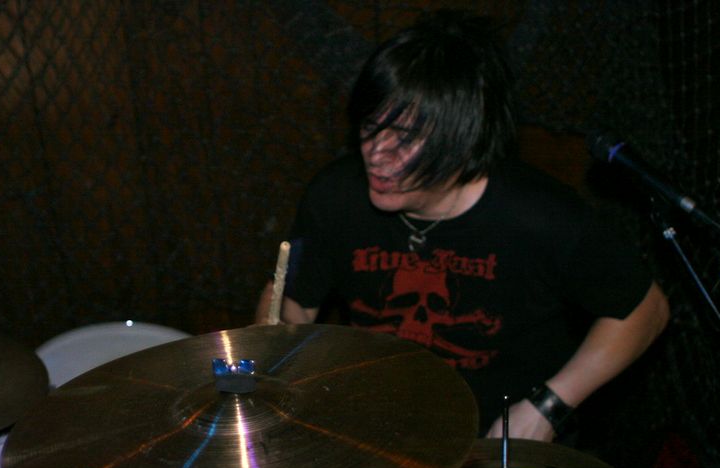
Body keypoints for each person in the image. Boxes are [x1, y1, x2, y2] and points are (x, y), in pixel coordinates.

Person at [256, 10, 670, 443]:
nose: (376, 153)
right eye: (370, 126)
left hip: (495, 440)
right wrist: (273, 356)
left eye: (405, 139)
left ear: (463, 140)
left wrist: (548, 407)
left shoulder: (540, 217)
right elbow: (290, 301)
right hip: (379, 427)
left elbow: (646, 310)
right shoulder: (336, 196)